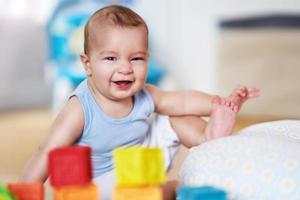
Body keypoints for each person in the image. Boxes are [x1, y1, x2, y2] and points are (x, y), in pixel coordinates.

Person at [20, 5, 260, 200]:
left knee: (171, 112)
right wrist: (24, 192)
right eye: (111, 58)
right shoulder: (80, 107)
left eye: (135, 59)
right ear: (88, 64)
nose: (125, 68)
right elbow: (48, 151)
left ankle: (208, 136)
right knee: (151, 192)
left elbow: (184, 101)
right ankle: (172, 191)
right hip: (98, 184)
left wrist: (219, 103)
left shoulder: (146, 94)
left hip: (141, 162)